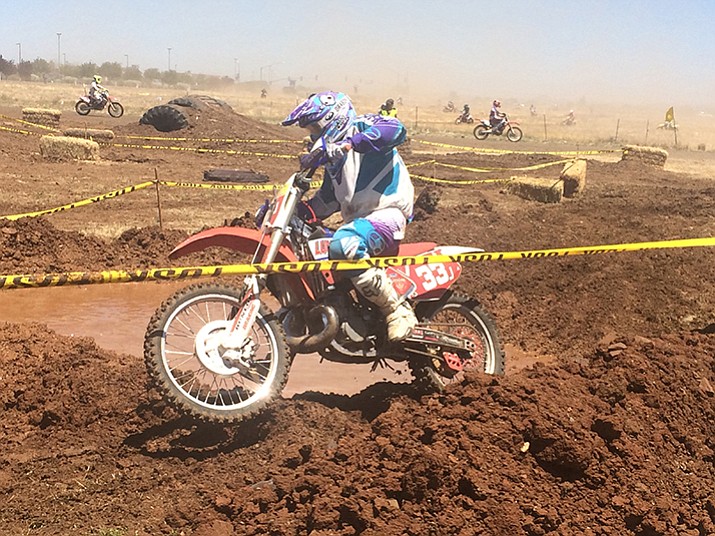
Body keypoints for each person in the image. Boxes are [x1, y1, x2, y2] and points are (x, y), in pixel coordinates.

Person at [280, 91, 417, 342]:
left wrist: (350, 144)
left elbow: (397, 130)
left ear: (332, 119)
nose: (312, 134)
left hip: (387, 215)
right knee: (312, 243)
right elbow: (326, 202)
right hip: (359, 223)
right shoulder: (334, 162)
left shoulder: (364, 127)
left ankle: (397, 309)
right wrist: (289, 211)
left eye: (314, 126)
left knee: (344, 243)